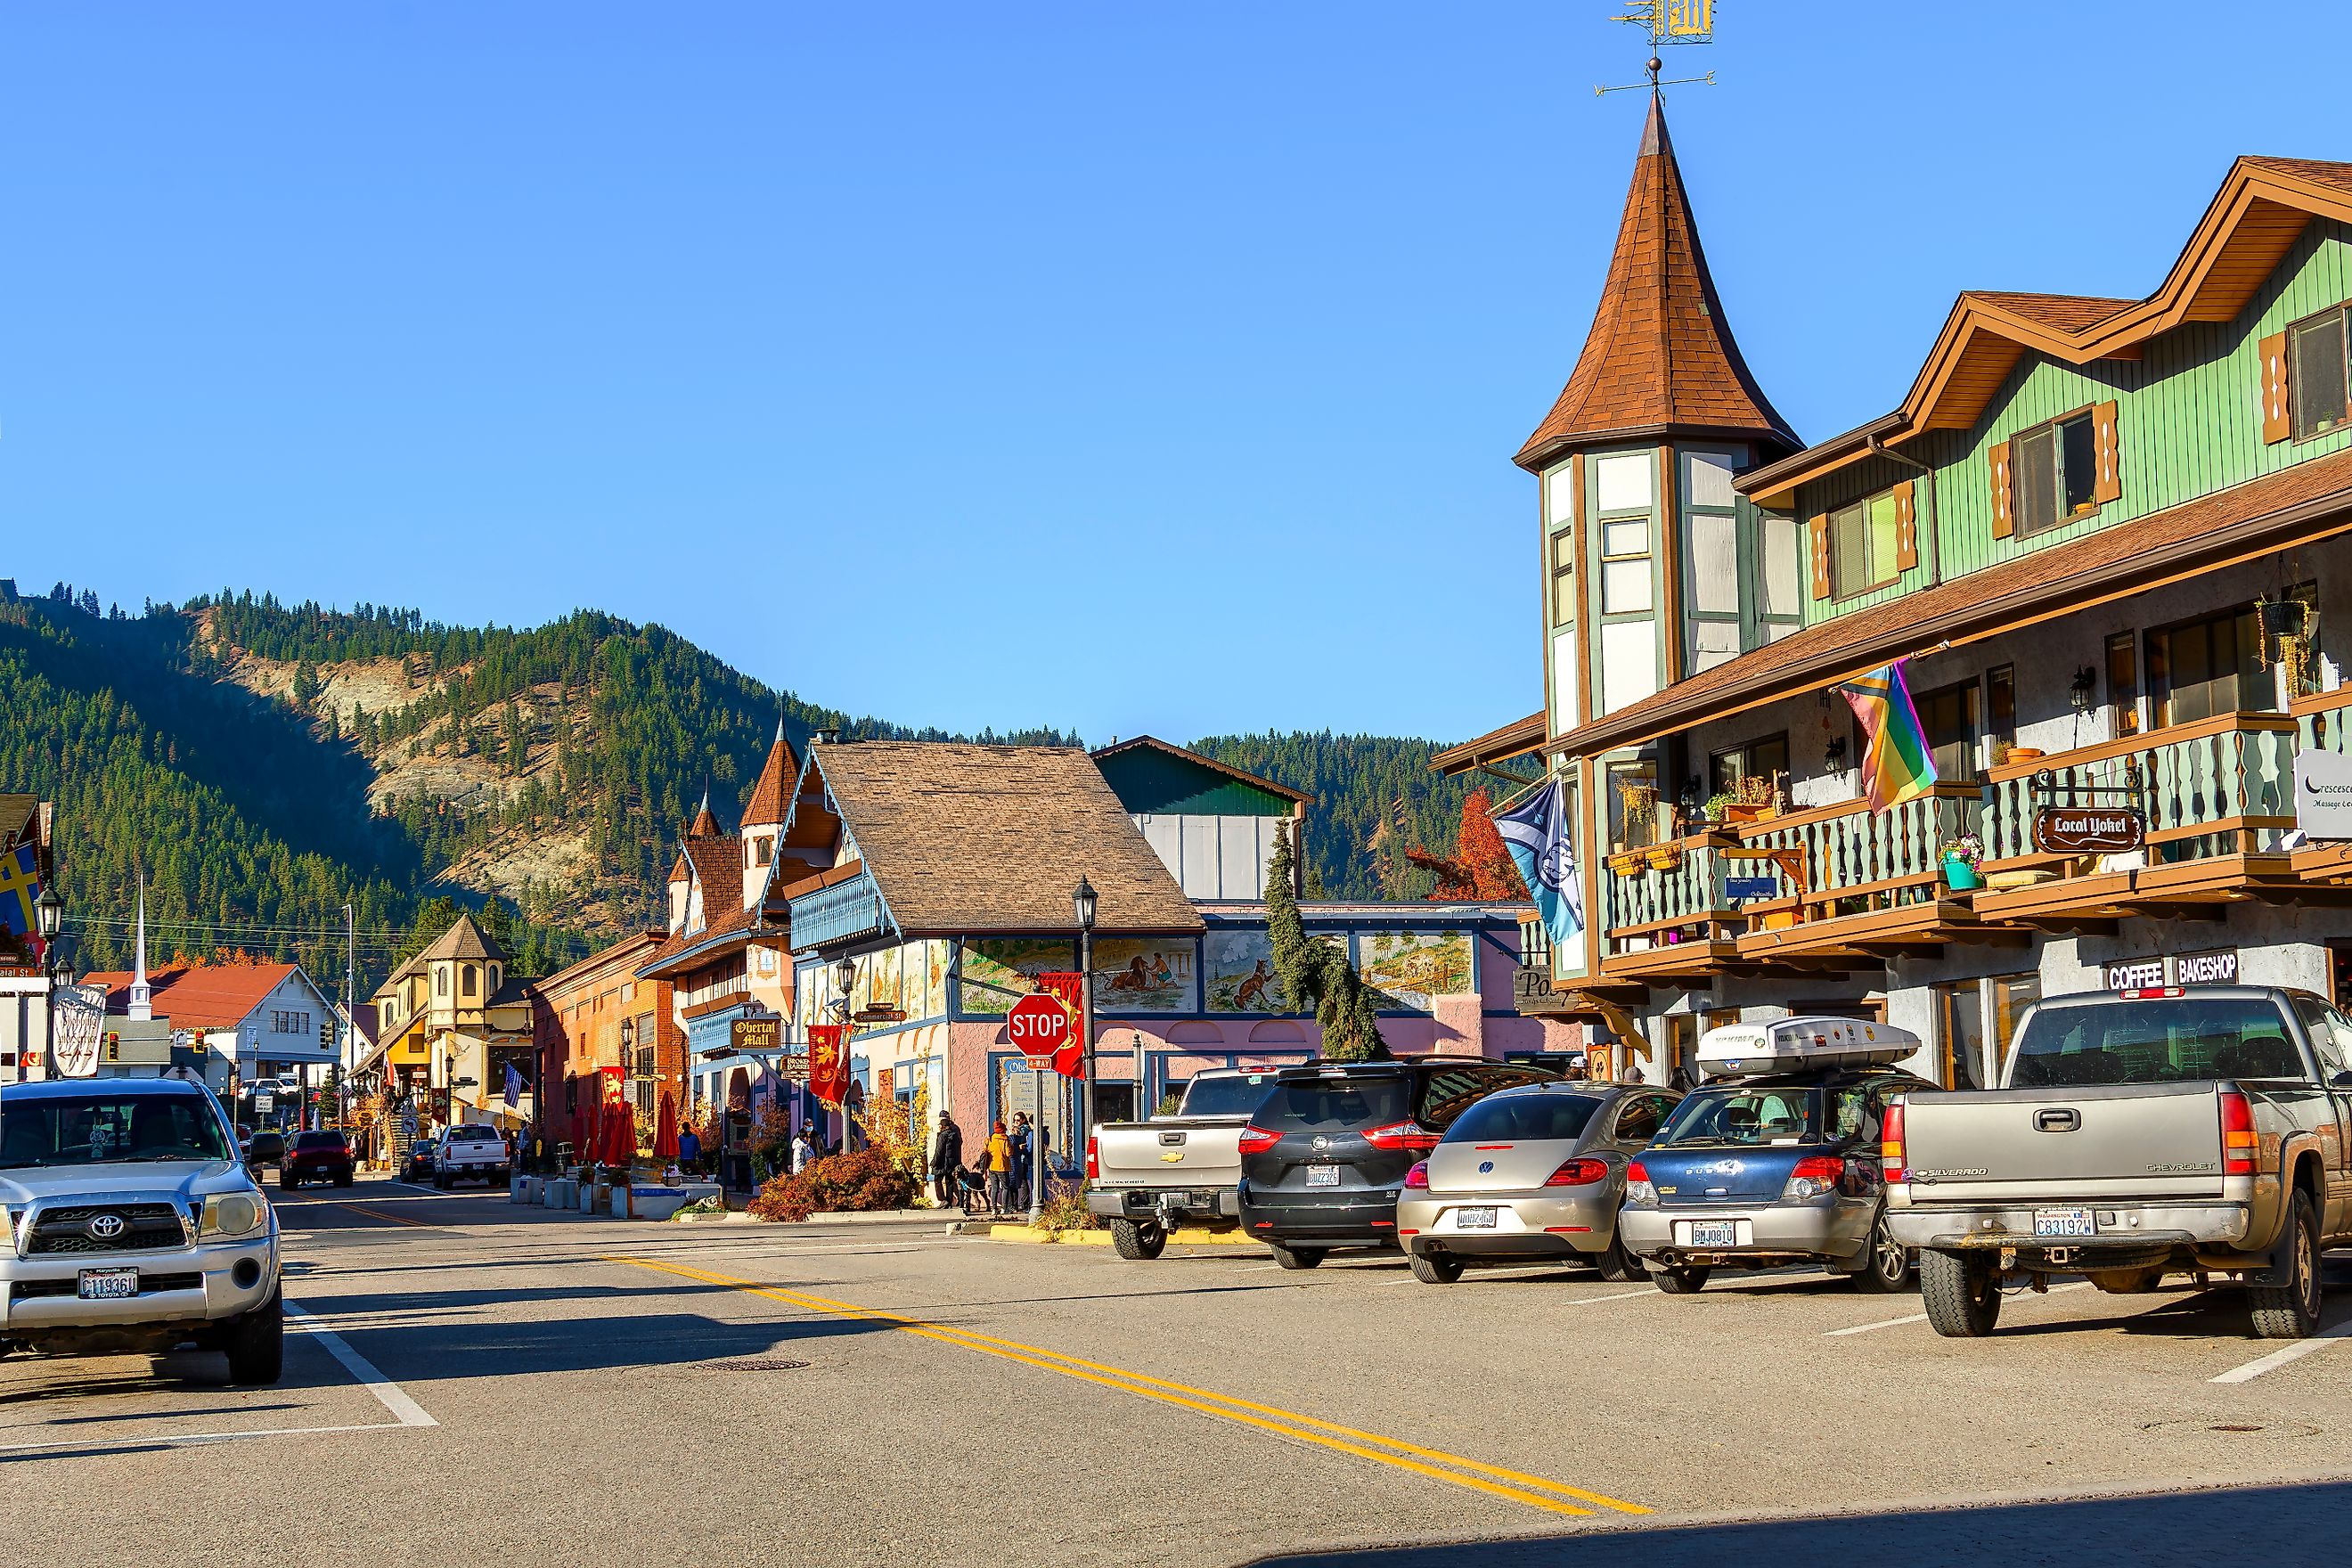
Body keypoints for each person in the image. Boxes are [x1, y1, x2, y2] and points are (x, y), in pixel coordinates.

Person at [929, 1115, 964, 1208]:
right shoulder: (955, 1135)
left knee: (938, 1180)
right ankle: (949, 1201)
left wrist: (934, 1162)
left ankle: (943, 1200)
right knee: (950, 1181)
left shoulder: (943, 1135)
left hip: (942, 1163)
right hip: (953, 1162)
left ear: (942, 1126)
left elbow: (939, 1151)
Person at [984, 1119, 1012, 1216]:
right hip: (1003, 1167)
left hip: (992, 1167)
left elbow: (986, 1150)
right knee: (1005, 1187)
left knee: (994, 1188)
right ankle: (1004, 1208)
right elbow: (1008, 1153)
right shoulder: (1005, 1139)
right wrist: (1012, 1147)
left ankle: (994, 1209)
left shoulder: (990, 1139)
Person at [1008, 1112, 1035, 1212]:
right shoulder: (1021, 1130)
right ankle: (1022, 1204)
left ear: (1023, 1120)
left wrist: (1014, 1132)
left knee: (1022, 1182)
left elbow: (1020, 1135)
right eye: (1014, 1120)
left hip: (1023, 1159)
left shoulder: (1024, 1129)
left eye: (1018, 1120)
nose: (1016, 1122)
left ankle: (1024, 1203)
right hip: (1020, 1160)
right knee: (1019, 1182)